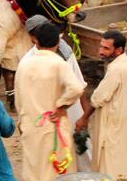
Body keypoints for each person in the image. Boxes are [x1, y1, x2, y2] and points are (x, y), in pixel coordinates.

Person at [15, 23, 85, 181]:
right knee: (60, 178)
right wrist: (62, 105)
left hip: (31, 127)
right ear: (58, 41)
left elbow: (18, 101)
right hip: (54, 129)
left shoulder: (24, 64)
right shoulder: (58, 63)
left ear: (36, 41)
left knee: (34, 178)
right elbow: (77, 88)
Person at [19, 15, 90, 169]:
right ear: (33, 38)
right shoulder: (28, 60)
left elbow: (79, 86)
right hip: (48, 117)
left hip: (59, 114)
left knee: (76, 153)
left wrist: (83, 116)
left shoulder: (63, 53)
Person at [76, 30, 127, 178]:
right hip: (122, 121)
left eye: (106, 48)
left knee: (110, 164)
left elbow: (98, 98)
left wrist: (84, 118)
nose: (101, 52)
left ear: (119, 50)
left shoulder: (117, 69)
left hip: (113, 125)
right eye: (101, 47)